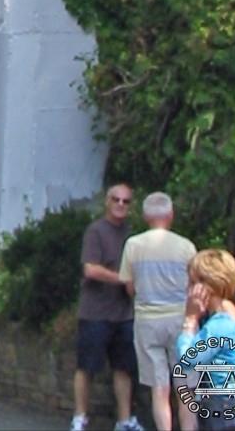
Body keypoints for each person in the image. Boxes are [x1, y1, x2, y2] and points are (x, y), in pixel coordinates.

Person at [120, 192, 197, 431]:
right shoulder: (185, 246)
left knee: (159, 388)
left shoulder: (134, 245)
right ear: (171, 215)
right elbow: (194, 286)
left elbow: (129, 286)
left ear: (145, 216)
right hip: (180, 320)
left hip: (147, 321)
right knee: (185, 388)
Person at [71, 183, 145, 431]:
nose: (121, 205)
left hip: (124, 313)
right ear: (107, 202)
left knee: (124, 367)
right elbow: (90, 269)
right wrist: (123, 278)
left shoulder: (132, 235)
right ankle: (80, 417)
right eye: (116, 200)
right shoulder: (96, 231)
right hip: (95, 313)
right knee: (87, 367)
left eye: (126, 201)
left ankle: (124, 420)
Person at [175, 249, 235, 431]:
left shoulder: (219, 325)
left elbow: (188, 360)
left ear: (205, 286)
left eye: (192, 283)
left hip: (224, 409)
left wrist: (190, 319)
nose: (188, 289)